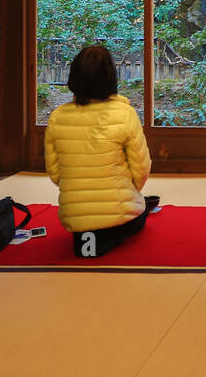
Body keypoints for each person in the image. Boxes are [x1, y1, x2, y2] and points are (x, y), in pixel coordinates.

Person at [44, 45, 156, 257]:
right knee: (141, 213)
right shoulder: (124, 113)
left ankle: (90, 242)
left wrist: (78, 187)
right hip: (121, 218)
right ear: (111, 76)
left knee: (89, 242)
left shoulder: (57, 116)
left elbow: (55, 172)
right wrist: (131, 192)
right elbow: (141, 168)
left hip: (76, 222)